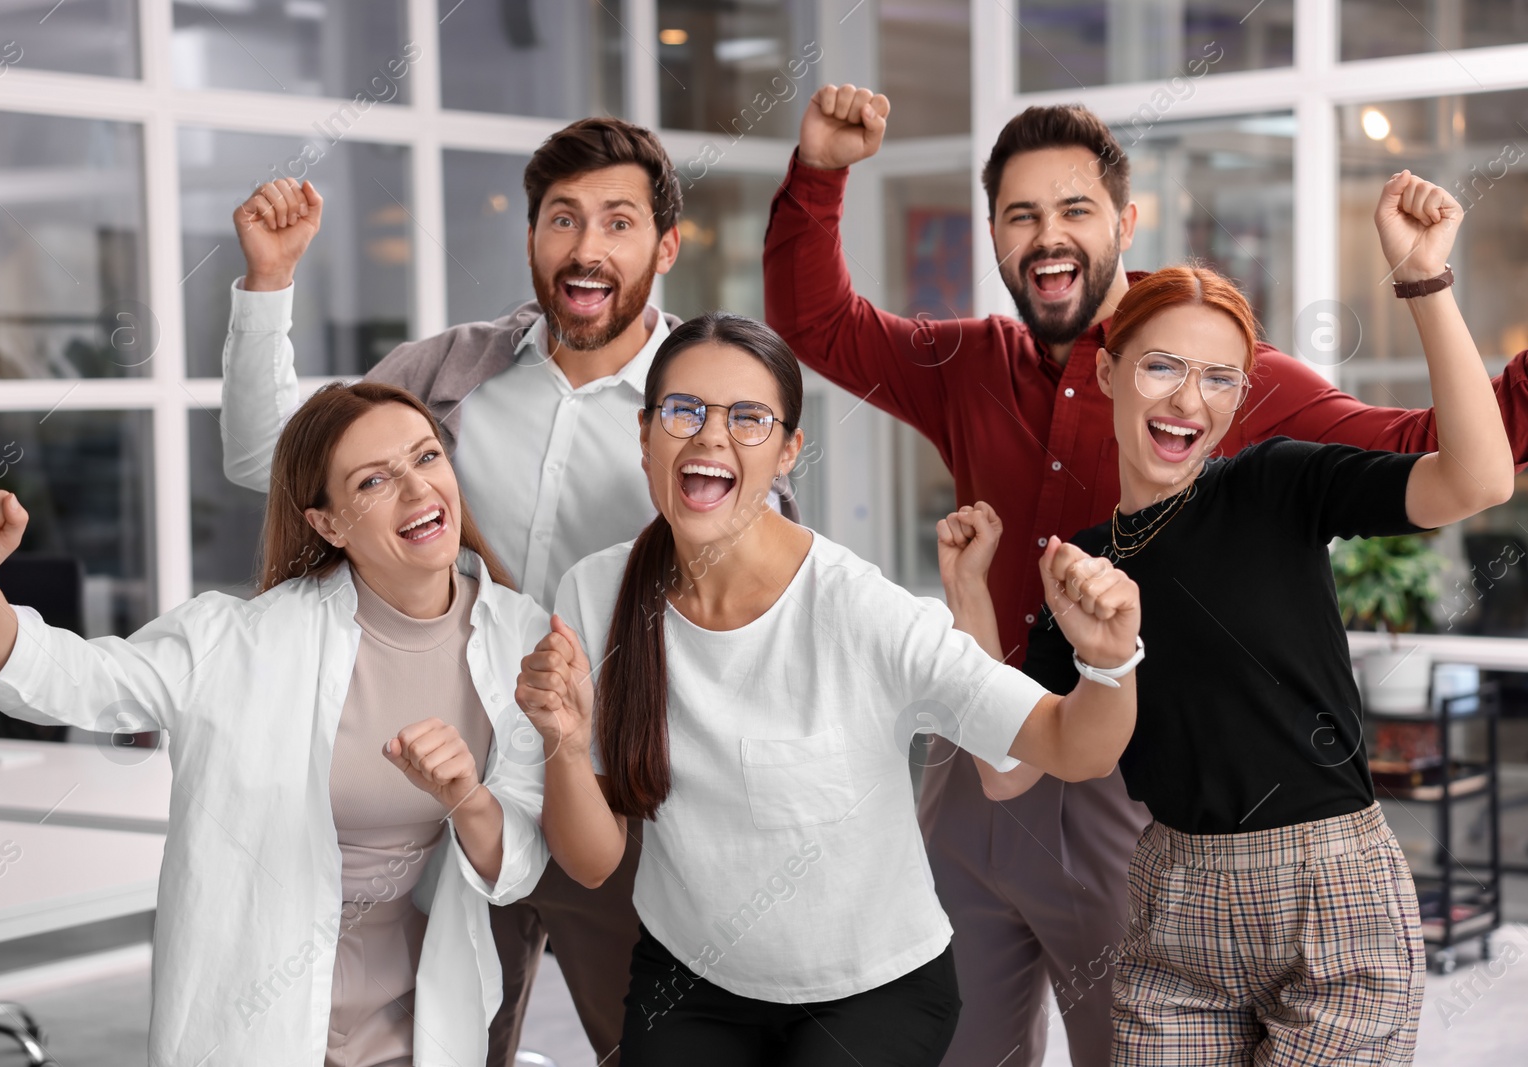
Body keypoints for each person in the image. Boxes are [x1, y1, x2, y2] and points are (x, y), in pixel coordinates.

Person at [763, 85, 1528, 1067]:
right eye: (1021, 214)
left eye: (1075, 208)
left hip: (1141, 785)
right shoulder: (962, 360)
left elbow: (1452, 454)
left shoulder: (1224, 375)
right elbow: (817, 323)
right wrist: (822, 169)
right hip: (989, 754)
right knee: (949, 1041)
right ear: (992, 232)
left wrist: (1428, 288)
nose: (1048, 236)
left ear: (1124, 222)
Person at [219, 118, 795, 1066]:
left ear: (664, 246)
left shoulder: (709, 409)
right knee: (450, 1045)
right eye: (562, 220)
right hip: (454, 795)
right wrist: (269, 284)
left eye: (618, 222)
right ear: (531, 239)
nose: (586, 247)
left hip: (629, 805)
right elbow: (265, 460)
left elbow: (761, 611)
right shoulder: (443, 377)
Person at [513, 311, 1143, 1067]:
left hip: (873, 989)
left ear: (787, 453)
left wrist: (1109, 662)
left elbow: (1072, 744)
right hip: (690, 975)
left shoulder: (860, 610)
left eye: (749, 419)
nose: (711, 437)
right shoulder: (598, 593)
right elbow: (591, 861)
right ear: (645, 435)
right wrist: (562, 740)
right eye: (684, 411)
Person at [975, 172, 1506, 1064]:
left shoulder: (1276, 482)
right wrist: (965, 592)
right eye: (1162, 366)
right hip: (1171, 903)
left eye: (1221, 378)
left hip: (1331, 894)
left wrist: (1423, 281)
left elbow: (1479, 478)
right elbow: (1006, 772)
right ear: (1107, 369)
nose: (1190, 399)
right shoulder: (1083, 566)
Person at [0, 382, 552, 1066]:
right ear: (328, 524)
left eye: (427, 456)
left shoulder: (515, 637)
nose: (416, 488)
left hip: (419, 1026)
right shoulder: (239, 643)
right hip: (254, 1028)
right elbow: (72, 680)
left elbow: (517, 863)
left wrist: (467, 796)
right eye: (374, 479)